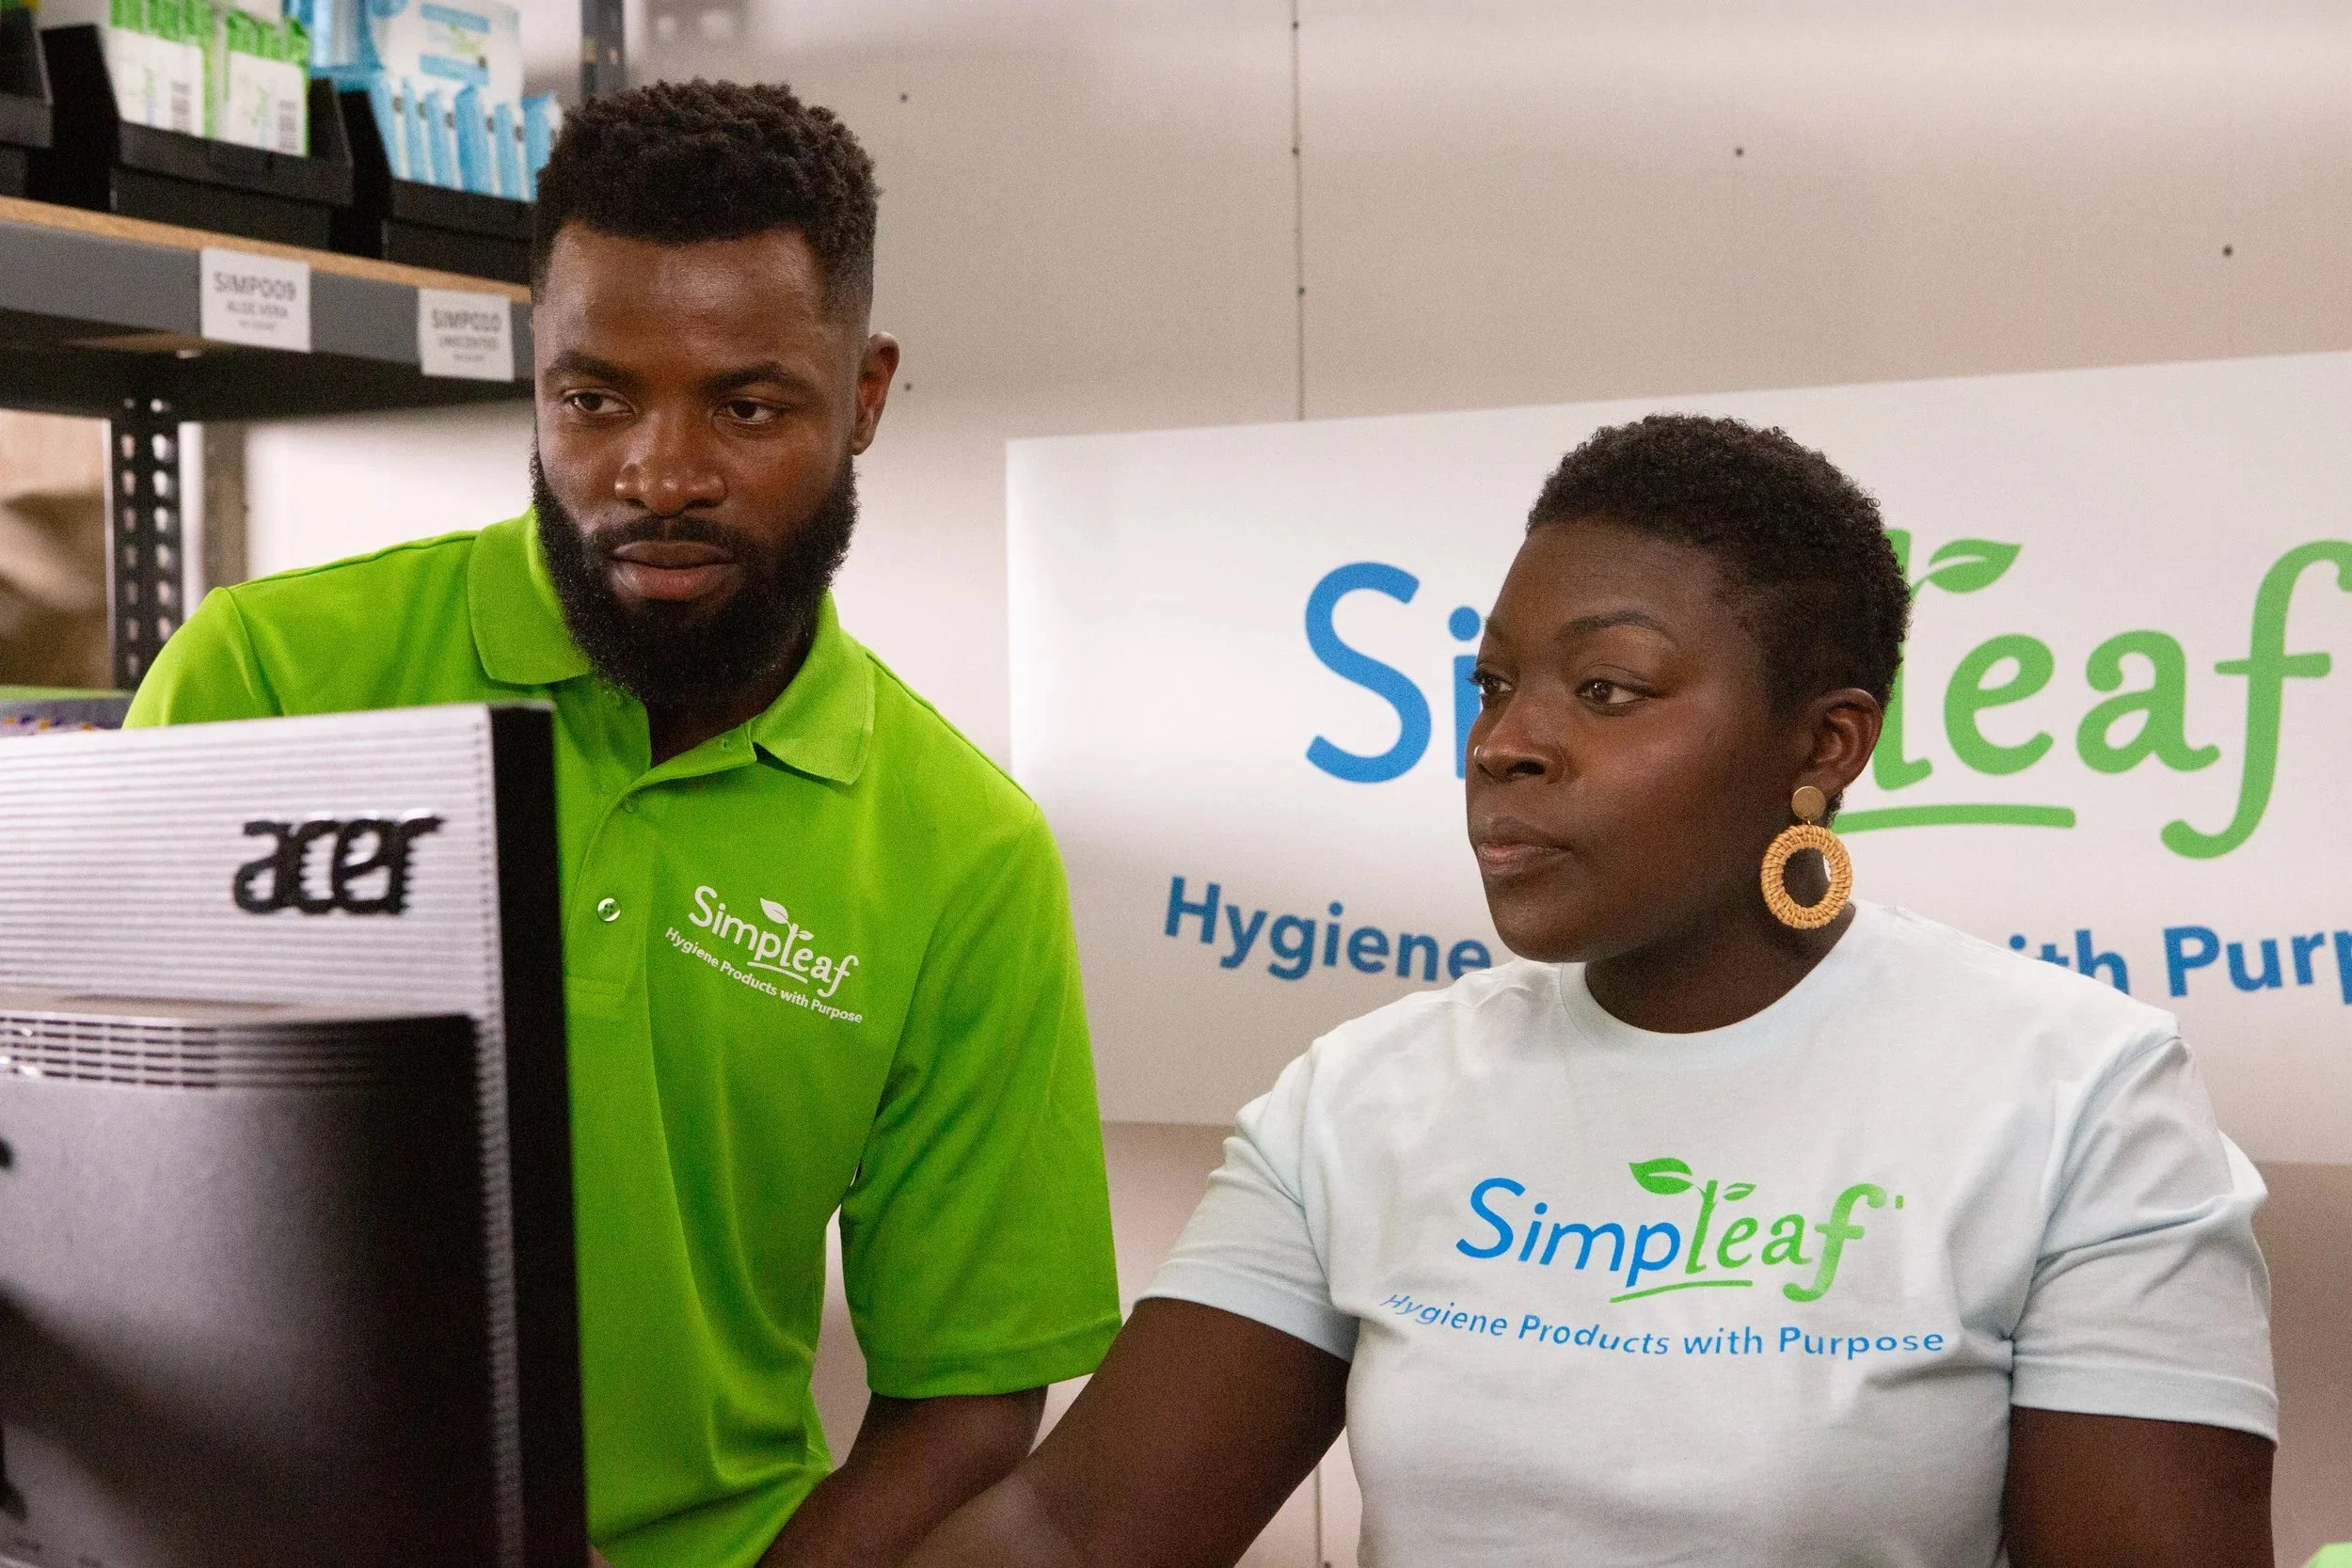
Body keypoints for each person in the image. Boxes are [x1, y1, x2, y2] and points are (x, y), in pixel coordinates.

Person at [907, 415, 2277, 1568]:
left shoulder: (2078, 1098)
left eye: (1608, 689)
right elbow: (1073, 1532)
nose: (1507, 744)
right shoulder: (1363, 1100)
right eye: (1493, 685)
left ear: (1824, 743)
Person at [126, 80, 1121, 1568]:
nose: (659, 473)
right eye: (596, 399)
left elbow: (968, 1391)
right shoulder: (270, 681)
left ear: (864, 395)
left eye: (747, 403)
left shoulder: (963, 847)